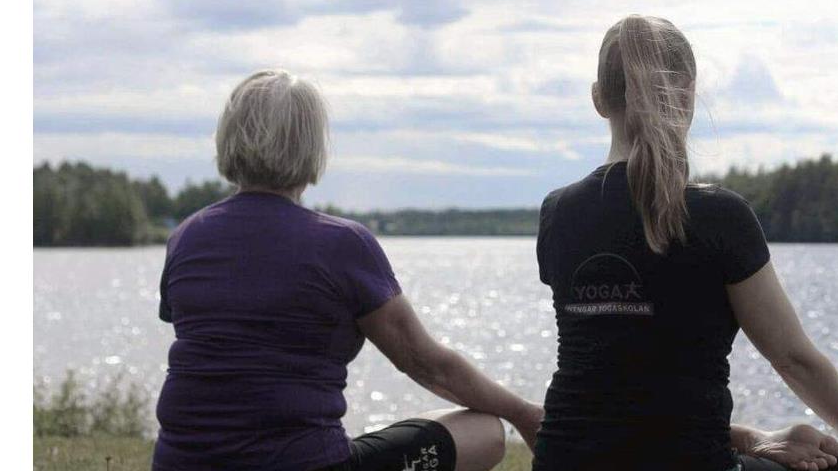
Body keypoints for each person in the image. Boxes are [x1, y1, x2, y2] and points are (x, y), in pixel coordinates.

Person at [531, 15, 838, 471]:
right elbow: (794, 360)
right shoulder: (718, 216)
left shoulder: (558, 213)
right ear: (687, 93)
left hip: (562, 461)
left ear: (598, 99)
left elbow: (615, 389)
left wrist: (755, 440)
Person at [152, 69, 545, 471]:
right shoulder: (341, 245)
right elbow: (428, 365)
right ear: (311, 147)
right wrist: (525, 414)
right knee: (485, 431)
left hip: (179, 463)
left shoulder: (187, 237)